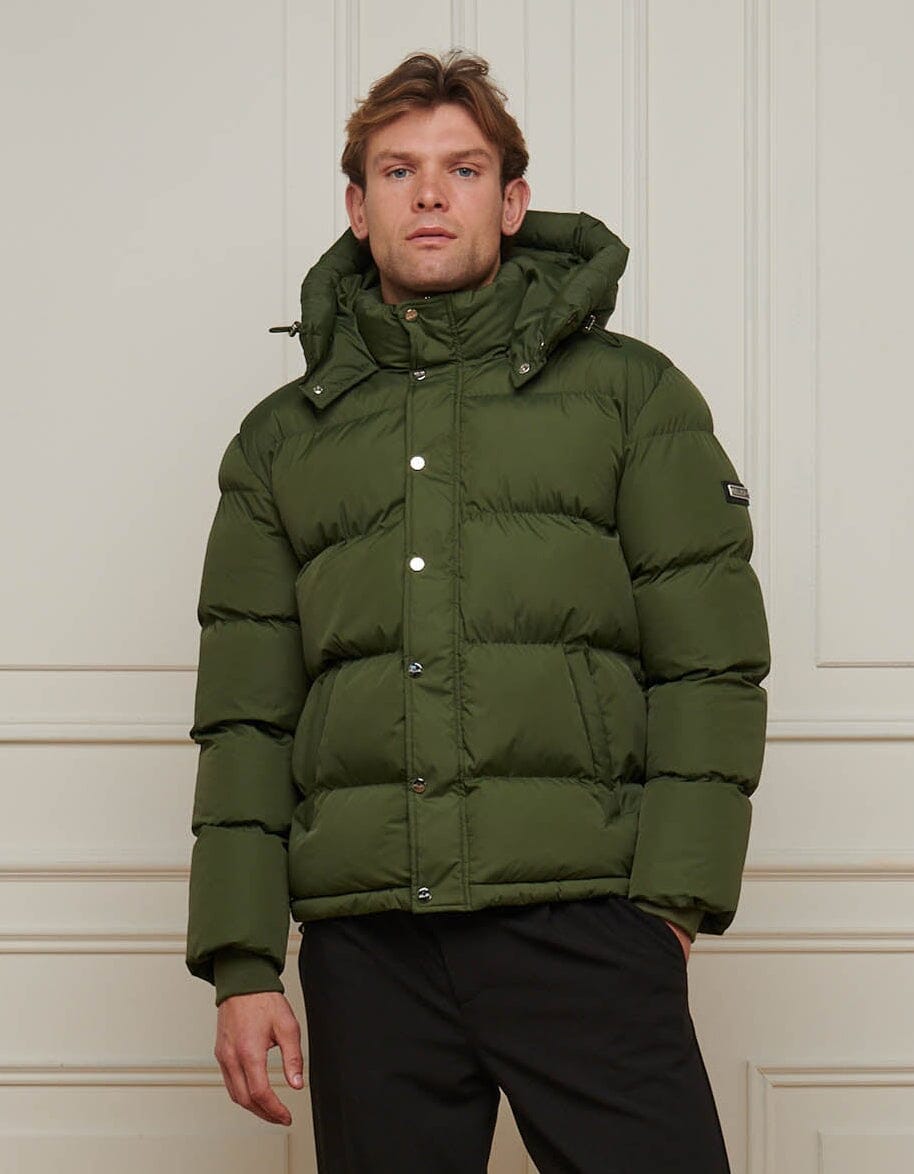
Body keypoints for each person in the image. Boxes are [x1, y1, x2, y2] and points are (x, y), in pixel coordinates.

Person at [185, 47, 770, 1172]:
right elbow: (246, 718)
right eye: (397, 170)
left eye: (462, 169)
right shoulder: (280, 441)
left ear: (510, 201)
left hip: (584, 921)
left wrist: (670, 908)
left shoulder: (632, 396)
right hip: (369, 948)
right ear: (358, 208)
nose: (429, 195)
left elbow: (710, 665)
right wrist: (242, 964)